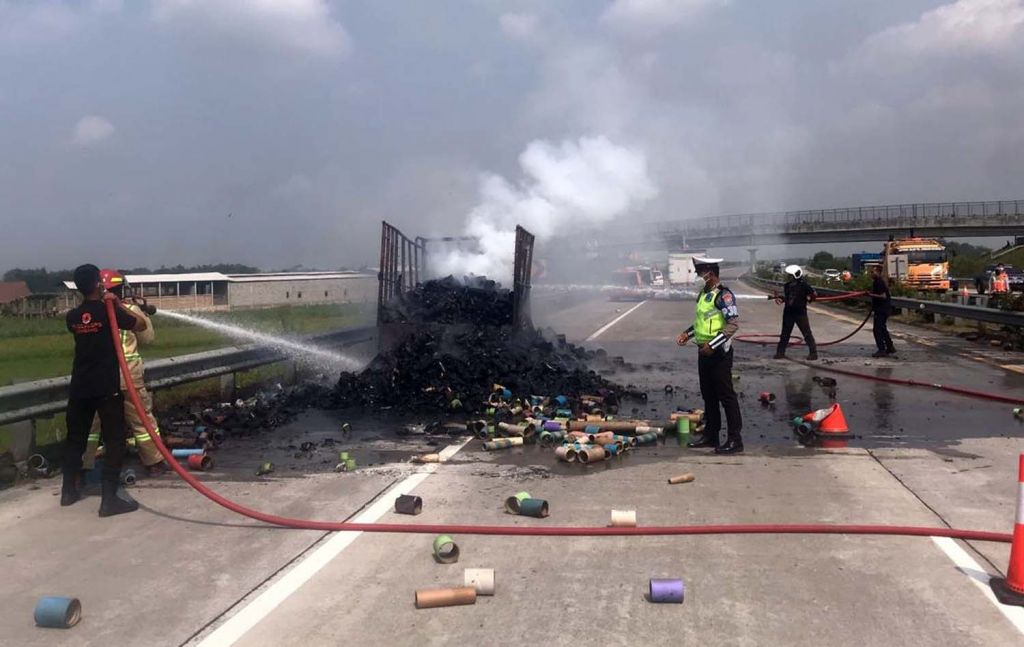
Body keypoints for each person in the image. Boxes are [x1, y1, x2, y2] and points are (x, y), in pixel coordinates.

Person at [62, 264, 148, 517]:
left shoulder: (73, 317)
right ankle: (109, 499)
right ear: (99, 284)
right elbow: (140, 325)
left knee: (75, 438)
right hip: (105, 387)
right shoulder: (108, 310)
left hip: (79, 386)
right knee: (115, 440)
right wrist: (116, 303)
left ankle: (68, 491)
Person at [83, 270, 169, 476]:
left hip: (96, 377)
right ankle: (154, 462)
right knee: (142, 420)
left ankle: (82, 466)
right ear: (120, 288)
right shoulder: (130, 311)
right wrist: (142, 312)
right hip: (127, 375)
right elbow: (147, 338)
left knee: (91, 425)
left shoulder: (88, 312)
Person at [676, 256, 743, 454]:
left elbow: (733, 324)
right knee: (708, 395)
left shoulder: (724, 295)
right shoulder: (703, 294)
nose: (698, 275)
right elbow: (701, 322)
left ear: (710, 273)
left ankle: (735, 440)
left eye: (700, 272)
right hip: (702, 351)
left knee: (726, 396)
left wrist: (713, 345)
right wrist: (686, 334)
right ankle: (711, 435)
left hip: (719, 353)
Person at [773, 264, 818, 361]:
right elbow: (789, 298)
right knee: (785, 333)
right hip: (788, 312)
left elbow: (813, 294)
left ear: (794, 276)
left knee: (806, 333)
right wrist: (782, 299)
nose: (787, 277)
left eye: (789, 275)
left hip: (800, 312)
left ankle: (813, 353)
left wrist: (810, 298)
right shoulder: (787, 286)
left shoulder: (804, 285)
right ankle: (780, 352)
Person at [868, 265, 896, 358]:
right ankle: (890, 347)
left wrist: (870, 295)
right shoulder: (877, 281)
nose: (871, 274)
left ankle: (881, 349)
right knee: (883, 328)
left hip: (882, 309)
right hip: (883, 308)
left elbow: (883, 296)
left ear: (878, 272)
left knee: (877, 330)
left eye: (873, 272)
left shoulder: (879, 282)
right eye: (871, 272)